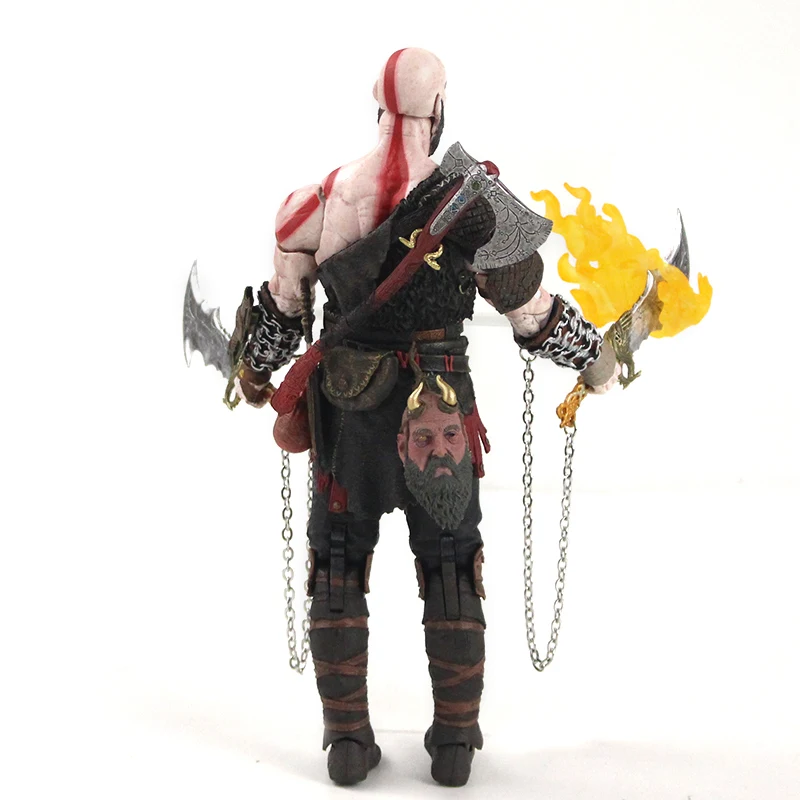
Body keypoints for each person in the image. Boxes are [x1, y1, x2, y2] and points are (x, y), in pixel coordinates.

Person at [233, 47, 619, 787]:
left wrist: (253, 373)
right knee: (450, 563)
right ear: (438, 109)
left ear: (378, 108)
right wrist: (594, 358)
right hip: (438, 413)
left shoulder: (313, 204)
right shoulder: (472, 205)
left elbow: (282, 319)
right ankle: (453, 744)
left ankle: (348, 744)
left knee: (337, 563)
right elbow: (534, 317)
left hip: (346, 411)